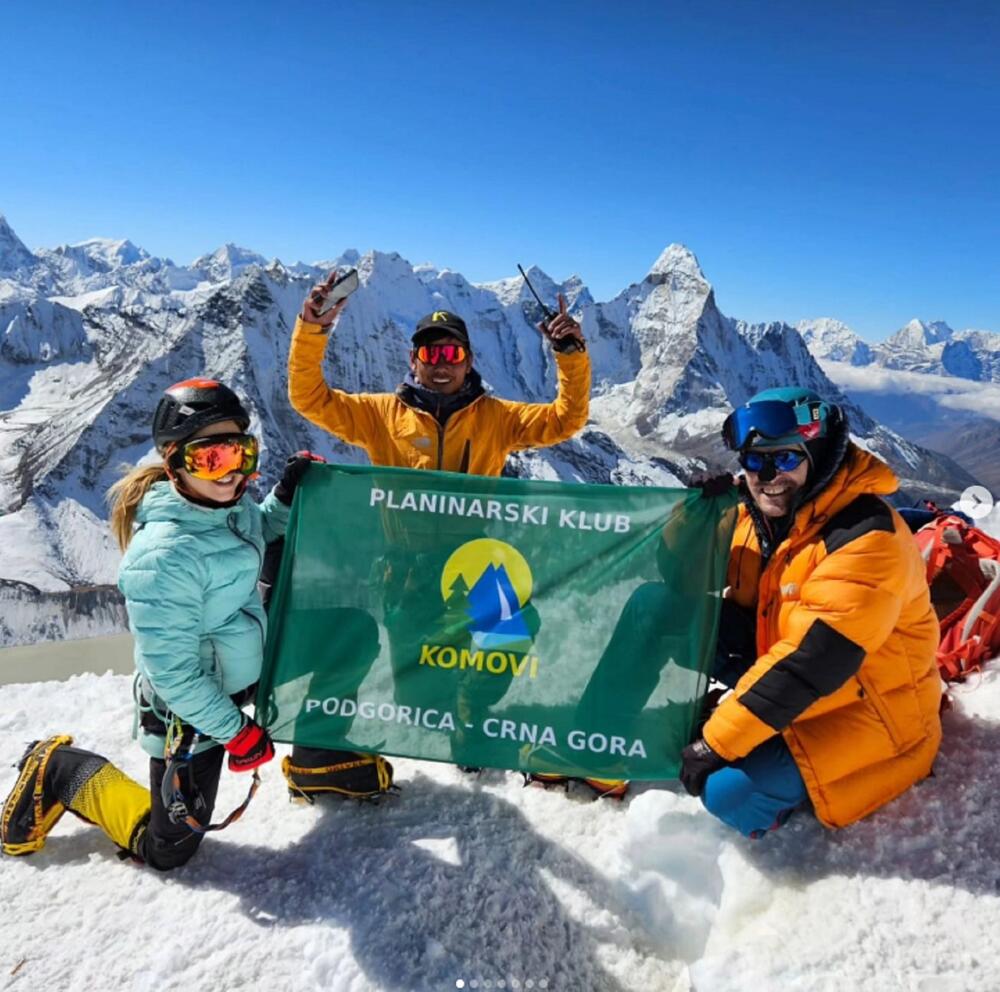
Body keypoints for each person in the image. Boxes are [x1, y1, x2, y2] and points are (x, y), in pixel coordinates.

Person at [279, 271, 592, 798]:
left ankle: (475, 712)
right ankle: (447, 705)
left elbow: (566, 419)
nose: (441, 364)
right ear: (413, 360)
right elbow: (309, 398)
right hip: (406, 568)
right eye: (430, 354)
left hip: (474, 559)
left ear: (468, 360)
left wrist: (571, 355)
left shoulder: (496, 417)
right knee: (419, 704)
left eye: (451, 354)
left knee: (513, 632)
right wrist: (312, 328)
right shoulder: (380, 416)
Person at [1, 379, 314, 869]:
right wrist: (235, 733)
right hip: (189, 716)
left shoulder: (227, 509)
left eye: (241, 455)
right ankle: (59, 769)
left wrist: (285, 494)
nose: (232, 474)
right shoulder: (165, 557)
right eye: (212, 459)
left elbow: (262, 527)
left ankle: (329, 765)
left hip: (231, 686)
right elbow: (174, 675)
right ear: (175, 463)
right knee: (167, 849)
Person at [679, 386, 942, 837]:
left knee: (728, 793)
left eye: (783, 459)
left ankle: (788, 800)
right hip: (792, 666)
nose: (766, 476)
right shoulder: (758, 515)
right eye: (753, 460)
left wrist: (714, 741)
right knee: (662, 613)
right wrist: (693, 517)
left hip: (867, 711)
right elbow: (675, 576)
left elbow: (810, 663)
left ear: (818, 457)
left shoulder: (867, 539)